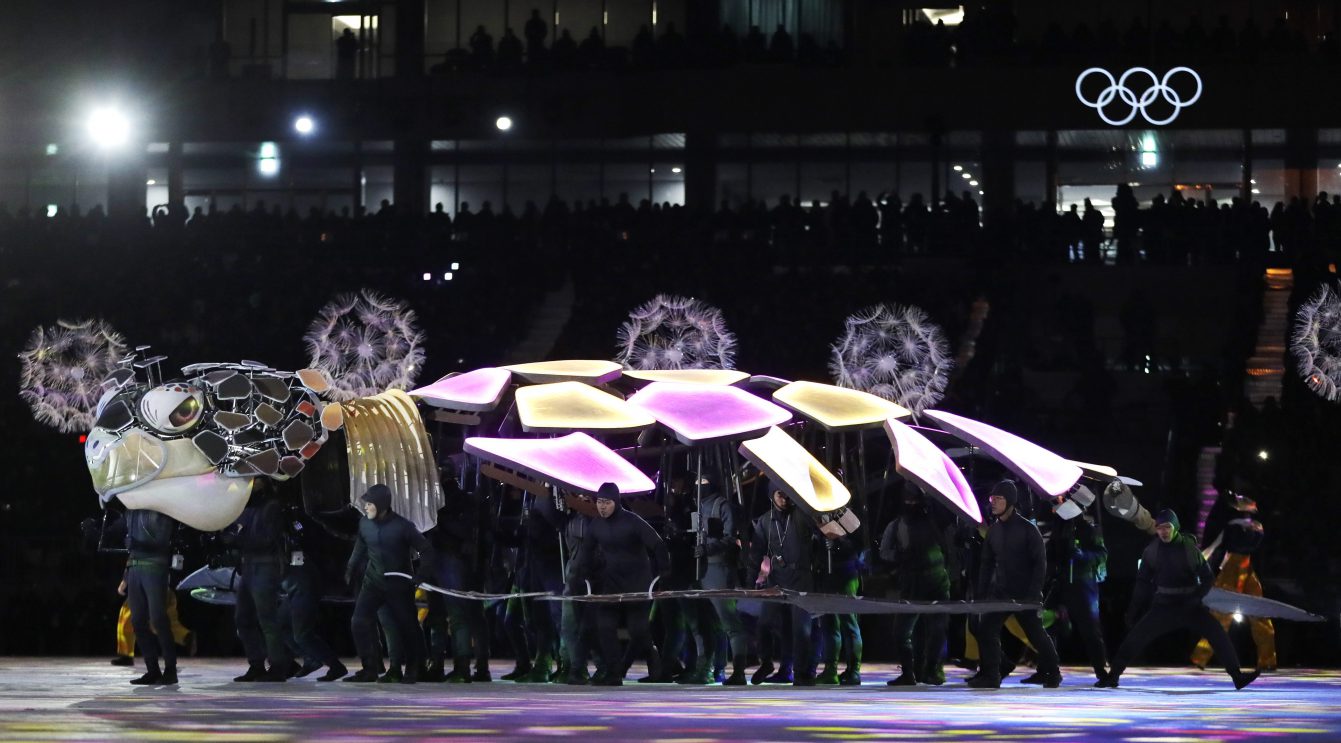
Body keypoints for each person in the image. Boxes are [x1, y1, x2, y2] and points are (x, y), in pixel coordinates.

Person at [1102, 509, 1260, 690]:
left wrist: (1196, 597)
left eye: (1167, 527)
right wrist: (1133, 610)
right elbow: (1142, 584)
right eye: (1159, 528)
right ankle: (1113, 676)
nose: (1163, 531)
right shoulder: (1151, 551)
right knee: (1135, 638)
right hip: (1164, 607)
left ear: (1175, 527)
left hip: (1190, 605)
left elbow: (1208, 578)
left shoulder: (1189, 549)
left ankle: (1237, 676)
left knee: (1218, 635)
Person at [567, 482, 670, 686]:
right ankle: (614, 672)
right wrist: (583, 576)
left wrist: (664, 572)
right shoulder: (596, 525)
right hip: (611, 583)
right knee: (604, 626)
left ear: (616, 502)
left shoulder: (632, 521)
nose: (602, 506)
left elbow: (658, 545)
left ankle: (655, 662)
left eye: (607, 502)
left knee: (638, 630)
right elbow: (586, 553)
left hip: (638, 582)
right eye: (599, 502)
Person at [968, 480, 1061, 689]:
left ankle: (1054, 672)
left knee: (1035, 633)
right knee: (986, 629)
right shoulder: (993, 531)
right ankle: (992, 675)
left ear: (1010, 501)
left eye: (998, 499)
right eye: (992, 499)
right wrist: (982, 594)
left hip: (1026, 593)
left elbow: (1040, 564)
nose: (993, 503)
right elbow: (986, 565)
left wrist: (1034, 592)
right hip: (1002, 593)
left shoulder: (1028, 530)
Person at [344, 485, 436, 684]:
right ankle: (369, 668)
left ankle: (413, 668)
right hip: (373, 582)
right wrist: (350, 569)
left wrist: (421, 575)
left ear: (381, 505)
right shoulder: (364, 524)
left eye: (369, 504)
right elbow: (360, 547)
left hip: (399, 584)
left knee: (408, 625)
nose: (366, 507)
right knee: (358, 621)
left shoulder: (403, 526)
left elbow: (427, 550)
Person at [1191, 493, 1275, 672]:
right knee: (1220, 614)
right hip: (1232, 569)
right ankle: (1201, 656)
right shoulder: (1233, 525)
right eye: (1243, 501)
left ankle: (1267, 659)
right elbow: (1215, 546)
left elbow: (1253, 547)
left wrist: (1254, 529)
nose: (1249, 503)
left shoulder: (1255, 526)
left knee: (1260, 612)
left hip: (1246, 567)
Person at [748, 482, 819, 686]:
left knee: (801, 629)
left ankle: (801, 673)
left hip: (801, 578)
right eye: (780, 495)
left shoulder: (801, 516)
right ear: (772, 495)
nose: (785, 499)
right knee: (764, 624)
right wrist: (751, 578)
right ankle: (767, 662)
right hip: (777, 579)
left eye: (788, 495)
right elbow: (756, 554)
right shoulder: (764, 521)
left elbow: (820, 532)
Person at [881, 484, 951, 686]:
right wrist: (902, 557)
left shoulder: (935, 521)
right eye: (908, 500)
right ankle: (912, 672)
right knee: (903, 632)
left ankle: (932, 670)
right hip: (913, 584)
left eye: (915, 500)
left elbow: (948, 549)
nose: (912, 504)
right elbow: (885, 552)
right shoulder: (898, 525)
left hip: (936, 582)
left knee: (936, 631)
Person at [230, 481, 292, 682]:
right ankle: (256, 664)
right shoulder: (245, 506)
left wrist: (239, 534)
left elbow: (264, 539)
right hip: (249, 566)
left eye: (255, 479)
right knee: (243, 618)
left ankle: (278, 666)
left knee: (266, 618)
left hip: (265, 566)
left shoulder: (271, 506)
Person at [1041, 503, 1109, 685]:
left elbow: (1102, 554)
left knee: (1090, 630)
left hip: (1083, 585)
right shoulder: (1059, 527)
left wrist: (1081, 555)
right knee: (1047, 625)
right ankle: (1046, 669)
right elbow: (1052, 553)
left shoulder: (1088, 530)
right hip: (1061, 583)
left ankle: (1101, 671)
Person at [693, 475, 750, 685]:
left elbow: (730, 537)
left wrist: (709, 548)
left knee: (729, 622)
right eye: (697, 482)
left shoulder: (722, 506)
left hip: (719, 568)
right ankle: (712, 669)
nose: (699, 486)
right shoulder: (697, 505)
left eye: (704, 481)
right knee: (709, 623)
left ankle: (739, 671)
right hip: (702, 569)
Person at [122, 508, 180, 685]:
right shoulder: (131, 509)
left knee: (158, 619)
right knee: (137, 620)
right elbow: (128, 541)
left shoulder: (160, 507)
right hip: (135, 567)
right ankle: (152, 670)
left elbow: (163, 540)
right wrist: (125, 577)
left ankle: (170, 670)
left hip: (154, 566)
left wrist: (138, 544)